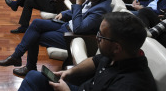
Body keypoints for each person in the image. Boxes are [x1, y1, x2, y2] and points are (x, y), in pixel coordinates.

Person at [0, 0, 112, 77]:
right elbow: (80, 12)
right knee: (36, 23)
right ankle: (17, 56)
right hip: (66, 25)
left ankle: (27, 65)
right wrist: (65, 13)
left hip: (72, 36)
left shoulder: (101, 9)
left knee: (33, 37)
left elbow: (78, 28)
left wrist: (78, 3)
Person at [18, 12, 156, 91]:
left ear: (117, 47)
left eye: (101, 36)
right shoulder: (118, 55)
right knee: (34, 76)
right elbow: (95, 60)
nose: (96, 38)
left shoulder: (130, 85)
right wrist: (70, 71)